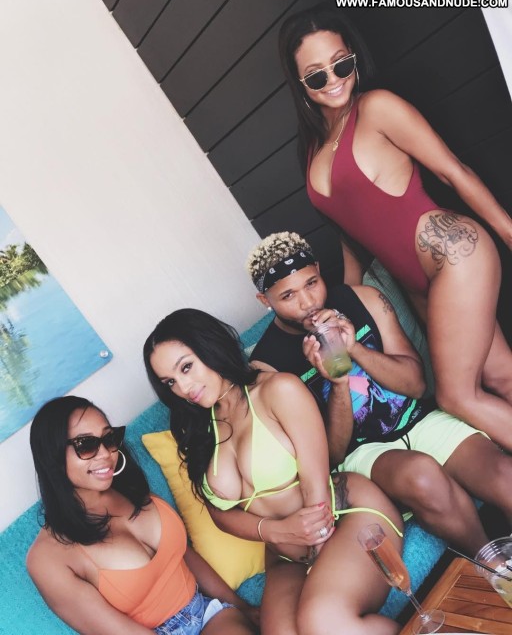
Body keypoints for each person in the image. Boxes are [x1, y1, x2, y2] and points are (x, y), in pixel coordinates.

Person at [278, 4, 512, 451]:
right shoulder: (311, 148)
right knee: (500, 375)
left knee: (456, 396)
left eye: (341, 64)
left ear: (353, 57)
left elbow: (452, 171)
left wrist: (509, 233)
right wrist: (348, 299)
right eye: (316, 75)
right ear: (300, 83)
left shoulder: (377, 108)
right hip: (415, 282)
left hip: (452, 256)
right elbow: (348, 231)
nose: (334, 80)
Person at [246, 231, 512, 557]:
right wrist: (339, 383)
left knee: (504, 476)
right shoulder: (267, 367)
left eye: (312, 283)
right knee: (423, 477)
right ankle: (496, 569)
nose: (308, 303)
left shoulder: (364, 299)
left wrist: (355, 348)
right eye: (288, 295)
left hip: (419, 419)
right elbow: (331, 454)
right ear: (265, 301)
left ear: (318, 270)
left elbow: (416, 385)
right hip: (364, 452)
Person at [144, 309, 404, 635]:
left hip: (344, 514)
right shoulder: (197, 429)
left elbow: (315, 481)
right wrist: (276, 532)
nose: (183, 387)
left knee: (323, 622)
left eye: (186, 367)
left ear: (210, 347)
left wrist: (319, 547)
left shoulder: (278, 390)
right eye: (170, 382)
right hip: (286, 556)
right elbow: (220, 513)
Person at [26, 396, 258, 635]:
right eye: (86, 444)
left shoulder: (129, 489)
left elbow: (182, 555)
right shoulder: (47, 558)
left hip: (207, 613)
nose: (105, 453)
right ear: (51, 456)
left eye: (109, 439)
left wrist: (244, 608)